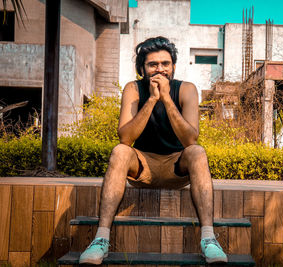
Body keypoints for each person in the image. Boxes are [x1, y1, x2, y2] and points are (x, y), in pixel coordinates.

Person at [79, 36, 227, 264]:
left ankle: (208, 239)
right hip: (143, 166)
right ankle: (101, 239)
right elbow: (125, 138)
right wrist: (151, 100)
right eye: (153, 65)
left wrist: (166, 98)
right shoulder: (134, 89)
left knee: (198, 152)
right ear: (142, 69)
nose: (160, 70)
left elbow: (190, 139)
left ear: (174, 67)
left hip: (176, 166)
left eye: (165, 64)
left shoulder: (186, 90)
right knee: (119, 151)